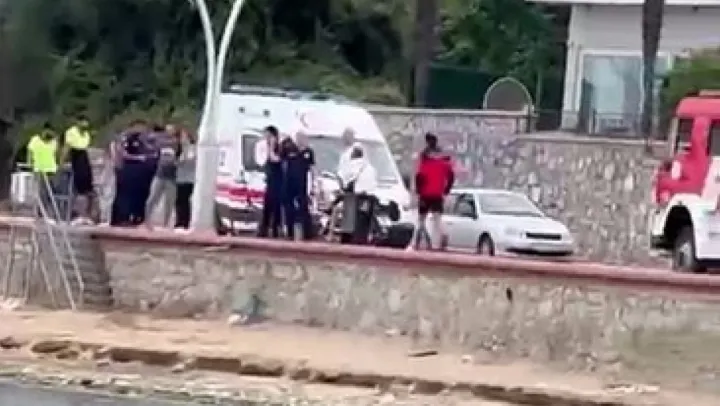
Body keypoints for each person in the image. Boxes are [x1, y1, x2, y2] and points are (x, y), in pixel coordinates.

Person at [409, 132, 454, 251]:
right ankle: (442, 234)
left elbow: (419, 177)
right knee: (437, 218)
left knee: (421, 219)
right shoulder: (444, 163)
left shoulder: (425, 161)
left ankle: (416, 242)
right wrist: (446, 190)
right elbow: (451, 177)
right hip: (438, 194)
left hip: (425, 194)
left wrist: (418, 192)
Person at [143, 124, 181, 229]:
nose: (169, 132)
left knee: (169, 201)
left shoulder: (177, 142)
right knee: (152, 198)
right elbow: (147, 140)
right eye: (168, 130)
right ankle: (147, 221)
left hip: (172, 176)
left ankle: (166, 223)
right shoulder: (161, 141)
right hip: (160, 174)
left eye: (171, 130)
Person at [113, 121, 148, 226]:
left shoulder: (140, 139)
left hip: (137, 170)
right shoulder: (126, 138)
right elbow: (122, 153)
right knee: (124, 194)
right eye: (140, 127)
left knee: (134, 194)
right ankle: (120, 218)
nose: (142, 130)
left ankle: (133, 217)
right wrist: (137, 158)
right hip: (126, 168)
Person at [280, 134, 314, 241]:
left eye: (302, 138)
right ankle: (290, 231)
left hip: (302, 183)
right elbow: (282, 160)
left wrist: (313, 184)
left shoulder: (308, 151)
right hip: (289, 182)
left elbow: (312, 168)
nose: (301, 140)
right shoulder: (288, 148)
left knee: (303, 207)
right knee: (288, 206)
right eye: (299, 138)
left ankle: (307, 232)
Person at [62, 115, 94, 225]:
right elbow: (67, 148)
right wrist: (62, 162)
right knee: (79, 189)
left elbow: (85, 148)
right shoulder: (71, 132)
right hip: (76, 157)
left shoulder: (86, 134)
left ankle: (86, 215)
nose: (85, 124)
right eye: (83, 122)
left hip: (84, 157)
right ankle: (78, 214)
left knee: (89, 190)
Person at [26, 124, 59, 220]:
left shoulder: (54, 142)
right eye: (49, 131)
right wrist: (30, 164)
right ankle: (39, 213)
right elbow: (30, 153)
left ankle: (49, 212)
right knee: (41, 192)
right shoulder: (35, 140)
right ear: (44, 130)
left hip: (51, 170)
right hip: (39, 170)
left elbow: (55, 155)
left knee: (51, 193)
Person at [257, 125, 283, 238]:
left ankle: (275, 229)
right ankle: (264, 229)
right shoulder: (266, 148)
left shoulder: (280, 148)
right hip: (270, 182)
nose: (267, 139)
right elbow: (262, 162)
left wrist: (271, 148)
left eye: (269, 136)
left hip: (278, 183)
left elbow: (275, 159)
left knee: (276, 207)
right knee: (267, 206)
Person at [174, 129, 196, 231]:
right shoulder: (179, 149)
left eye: (184, 137)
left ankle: (184, 222)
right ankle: (179, 221)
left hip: (189, 179)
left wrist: (182, 157)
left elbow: (189, 160)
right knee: (179, 201)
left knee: (184, 201)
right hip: (180, 178)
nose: (182, 139)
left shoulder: (192, 148)